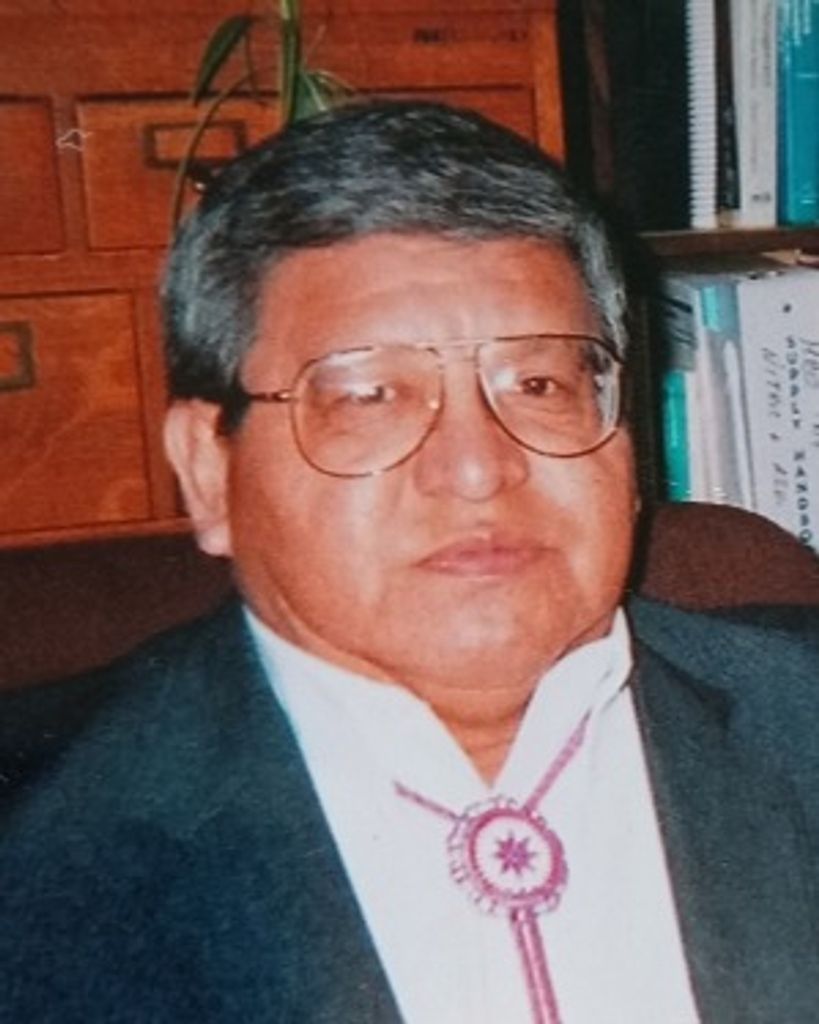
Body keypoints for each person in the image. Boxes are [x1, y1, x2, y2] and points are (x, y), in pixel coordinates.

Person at [1, 100, 818, 1024]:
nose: (477, 469)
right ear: (208, 471)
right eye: (369, 396)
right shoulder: (39, 850)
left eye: (539, 383)